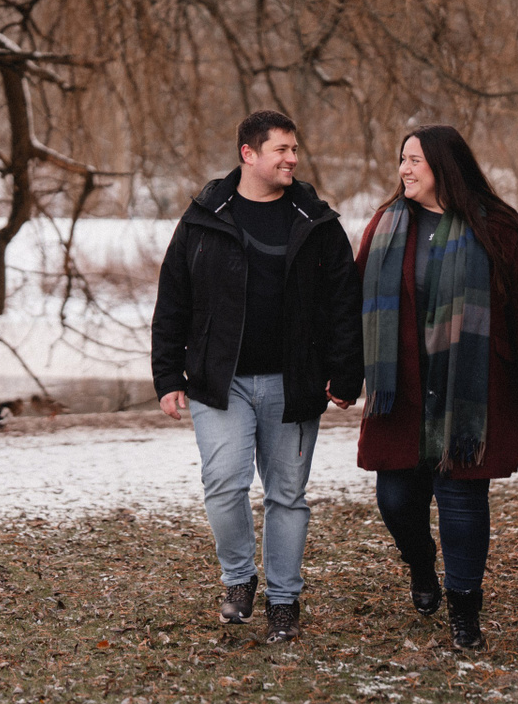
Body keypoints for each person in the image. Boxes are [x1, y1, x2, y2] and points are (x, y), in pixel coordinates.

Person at [152, 110, 363, 643]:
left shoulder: (316, 220)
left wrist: (346, 371)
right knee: (224, 485)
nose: (293, 159)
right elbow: (174, 298)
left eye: (295, 149)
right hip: (219, 382)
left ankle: (284, 603)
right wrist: (167, 375)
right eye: (281, 150)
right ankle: (240, 578)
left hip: (294, 383)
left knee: (287, 495)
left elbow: (344, 302)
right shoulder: (204, 217)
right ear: (248, 153)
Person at [356, 125, 518, 650]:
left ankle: (465, 613)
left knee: (462, 499)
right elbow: (353, 304)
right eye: (402, 159)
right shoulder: (386, 225)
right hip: (402, 387)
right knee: (395, 498)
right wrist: (341, 374)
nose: (404, 170)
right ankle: (421, 564)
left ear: (444, 166)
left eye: (414, 160)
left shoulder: (497, 226)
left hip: (471, 386)